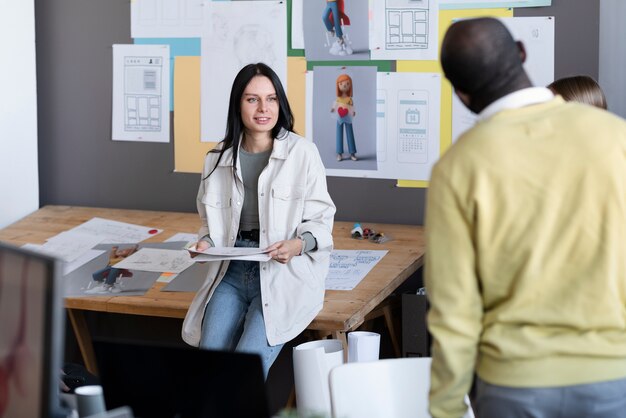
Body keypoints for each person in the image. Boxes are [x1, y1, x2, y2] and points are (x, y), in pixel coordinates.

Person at [425, 17, 626, 418]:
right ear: (521, 52)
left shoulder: (457, 166)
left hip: (513, 385)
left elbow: (453, 310)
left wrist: (446, 407)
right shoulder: (614, 136)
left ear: (461, 93)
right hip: (611, 376)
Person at [181, 63, 336, 378]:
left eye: (272, 99)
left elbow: (321, 220)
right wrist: (205, 244)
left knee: (244, 375)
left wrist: (298, 244)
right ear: (238, 104)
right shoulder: (217, 159)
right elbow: (211, 226)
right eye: (252, 99)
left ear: (280, 103)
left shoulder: (303, 153)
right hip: (231, 269)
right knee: (208, 370)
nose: (264, 108)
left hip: (281, 271)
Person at [332, 73, 357, 161]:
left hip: (348, 117)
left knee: (350, 134)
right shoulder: (338, 99)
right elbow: (335, 105)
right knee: (339, 134)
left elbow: (352, 107)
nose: (344, 86)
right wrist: (333, 109)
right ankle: (339, 153)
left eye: (347, 84)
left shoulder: (349, 99)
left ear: (350, 85)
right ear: (338, 85)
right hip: (339, 117)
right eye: (341, 84)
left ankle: (352, 153)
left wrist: (353, 112)